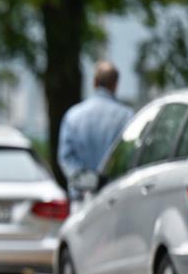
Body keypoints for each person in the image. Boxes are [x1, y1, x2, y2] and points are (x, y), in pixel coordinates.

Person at [57, 61, 133, 200]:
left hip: (81, 196)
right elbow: (130, 156)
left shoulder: (73, 115)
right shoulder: (127, 116)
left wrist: (86, 181)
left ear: (94, 82)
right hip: (114, 196)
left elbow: (66, 158)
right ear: (116, 84)